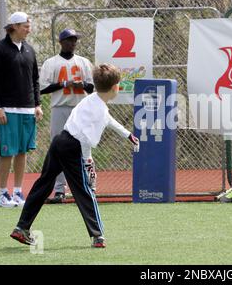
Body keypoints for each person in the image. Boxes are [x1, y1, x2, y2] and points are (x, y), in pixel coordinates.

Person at [10, 63, 140, 248]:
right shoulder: (100, 111)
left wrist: (127, 134)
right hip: (73, 147)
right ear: (114, 88)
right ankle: (98, 236)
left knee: (43, 185)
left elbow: (107, 119)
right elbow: (86, 141)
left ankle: (21, 228)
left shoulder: (92, 98)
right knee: (85, 190)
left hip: (59, 142)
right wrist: (89, 164)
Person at [0, 12, 43, 208]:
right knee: (7, 153)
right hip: (7, 110)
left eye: (29, 25)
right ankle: (2, 194)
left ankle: (17, 192)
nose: (29, 29)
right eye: (26, 26)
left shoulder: (30, 50)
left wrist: (37, 104)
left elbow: (35, 79)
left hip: (28, 110)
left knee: (22, 152)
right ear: (15, 26)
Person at [39, 28, 94, 204]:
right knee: (59, 149)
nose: (73, 43)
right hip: (60, 108)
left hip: (80, 108)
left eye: (74, 40)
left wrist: (82, 84)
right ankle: (59, 190)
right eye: (69, 40)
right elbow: (42, 88)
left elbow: (92, 87)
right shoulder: (51, 63)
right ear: (61, 42)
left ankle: (88, 187)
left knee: (84, 146)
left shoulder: (84, 62)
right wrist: (64, 84)